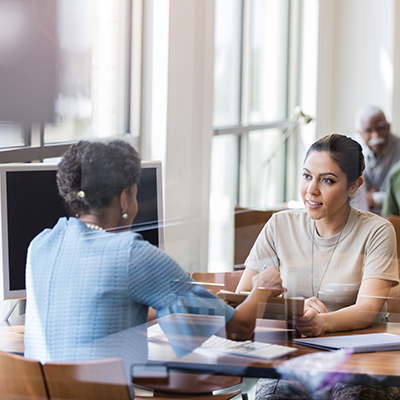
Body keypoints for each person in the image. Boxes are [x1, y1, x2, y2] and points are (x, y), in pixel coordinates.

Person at [24, 140, 284, 397]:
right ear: (124, 199)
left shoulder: (40, 245)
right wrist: (261, 290)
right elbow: (236, 329)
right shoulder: (132, 254)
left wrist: (164, 306)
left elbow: (98, 309)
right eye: (136, 193)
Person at [236, 133, 399, 399]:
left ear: (354, 187)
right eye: (306, 176)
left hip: (360, 362)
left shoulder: (378, 231)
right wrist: (295, 309)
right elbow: (243, 297)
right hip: (294, 358)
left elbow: (368, 309)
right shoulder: (280, 225)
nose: (311, 189)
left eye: (327, 180)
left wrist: (320, 323)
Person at [353, 105, 400, 213]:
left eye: (381, 128)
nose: (376, 135)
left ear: (388, 127)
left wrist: (375, 199)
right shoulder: (349, 148)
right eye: (368, 131)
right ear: (359, 133)